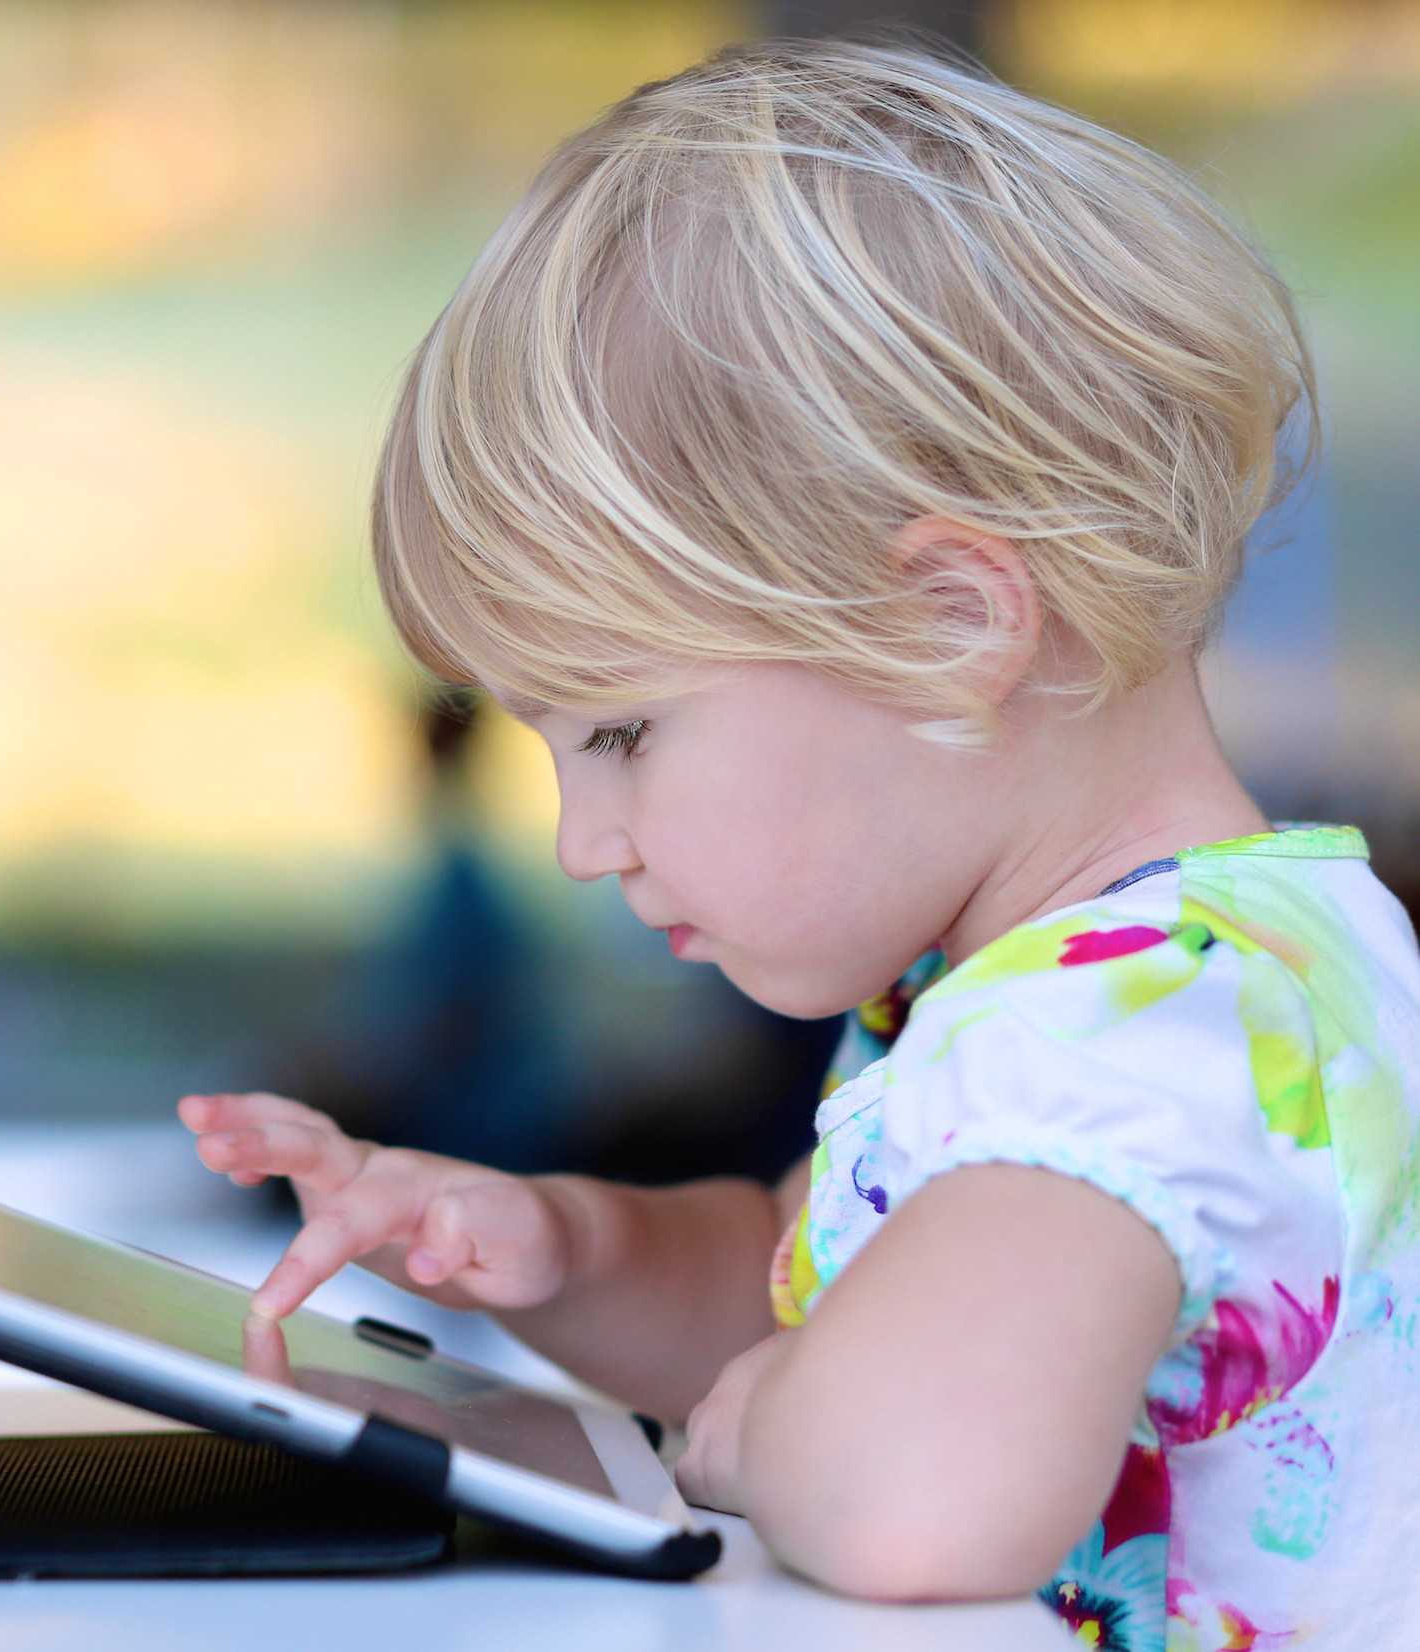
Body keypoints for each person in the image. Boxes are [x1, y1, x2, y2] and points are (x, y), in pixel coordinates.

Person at [178, 42, 1420, 1648]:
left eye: (621, 733)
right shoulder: (1112, 987)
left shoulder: (1125, 1037)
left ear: (951, 623)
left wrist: (772, 1430)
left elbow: (913, 1496)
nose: (581, 843)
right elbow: (808, 1282)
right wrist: (564, 1250)